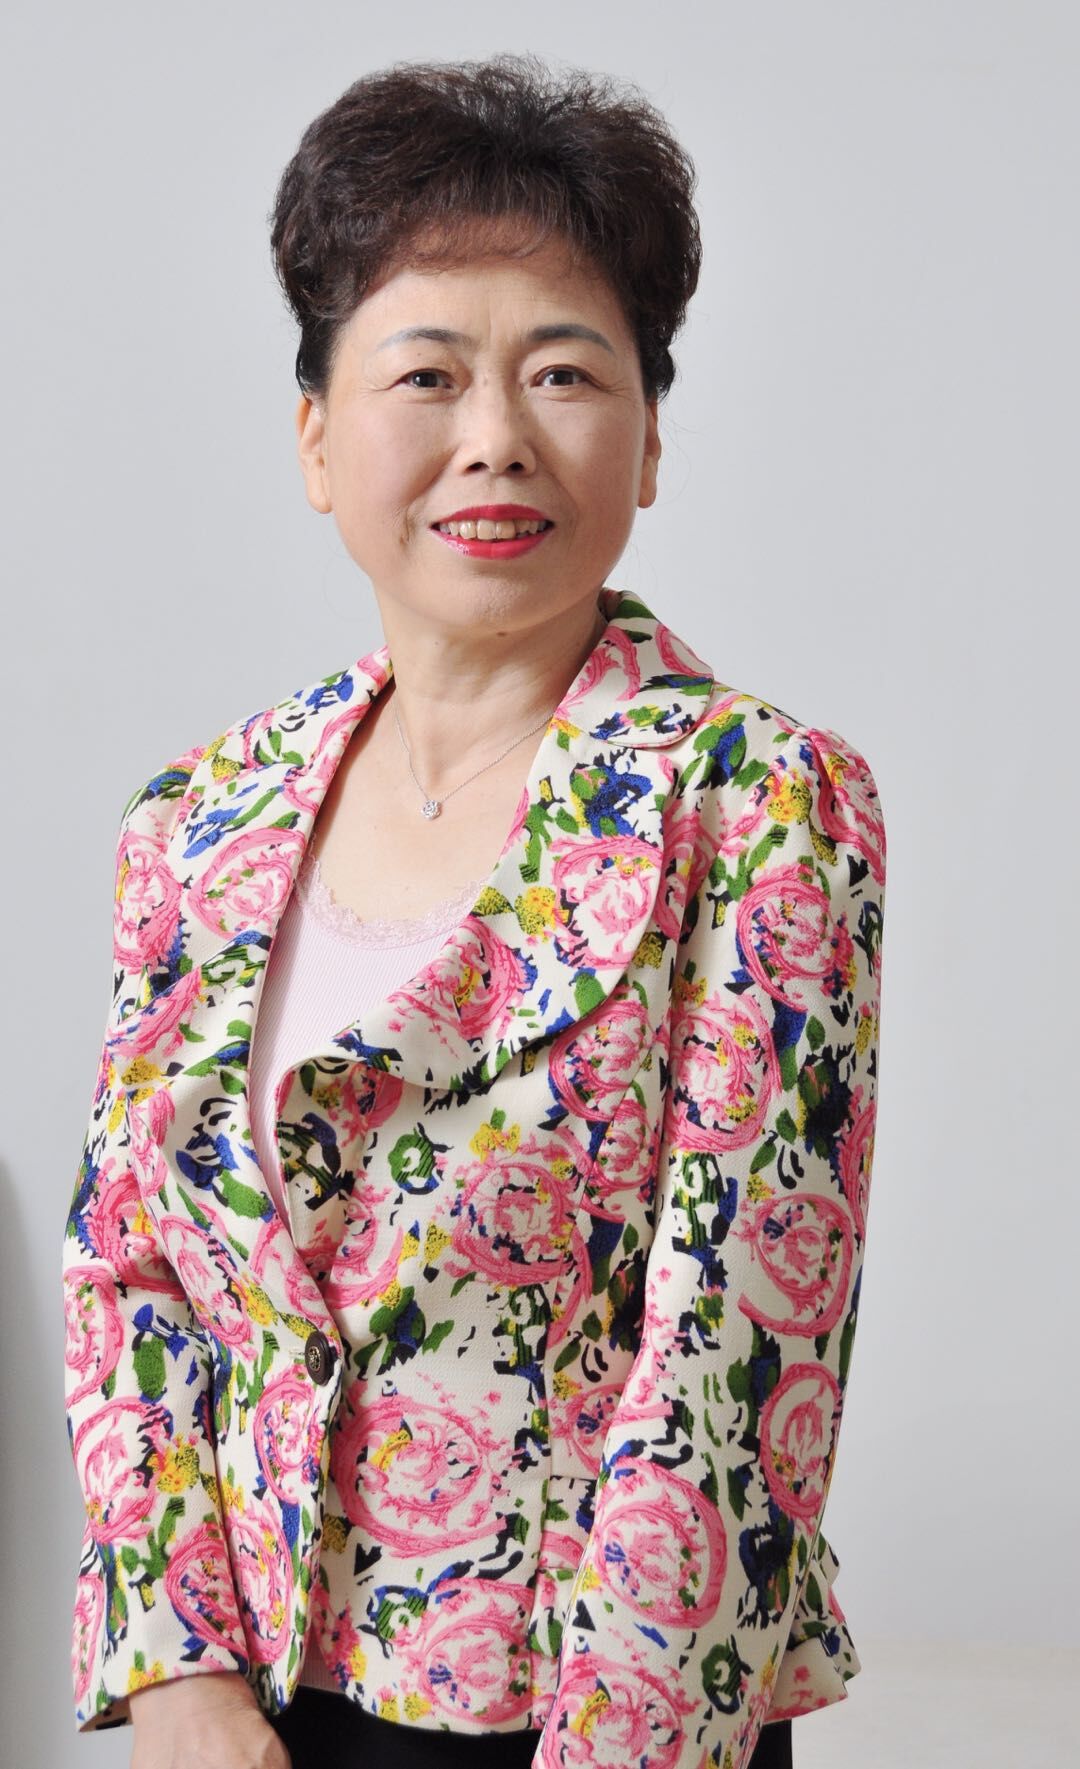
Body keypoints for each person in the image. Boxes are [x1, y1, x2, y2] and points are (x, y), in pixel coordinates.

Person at [62, 54, 886, 1769]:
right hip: (239, 1707)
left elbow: (734, 1369)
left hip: (591, 1717)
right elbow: (130, 1270)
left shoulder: (759, 802)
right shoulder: (197, 820)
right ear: (317, 435)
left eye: (565, 371)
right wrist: (176, 1679)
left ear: (650, 438)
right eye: (427, 371)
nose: (496, 436)